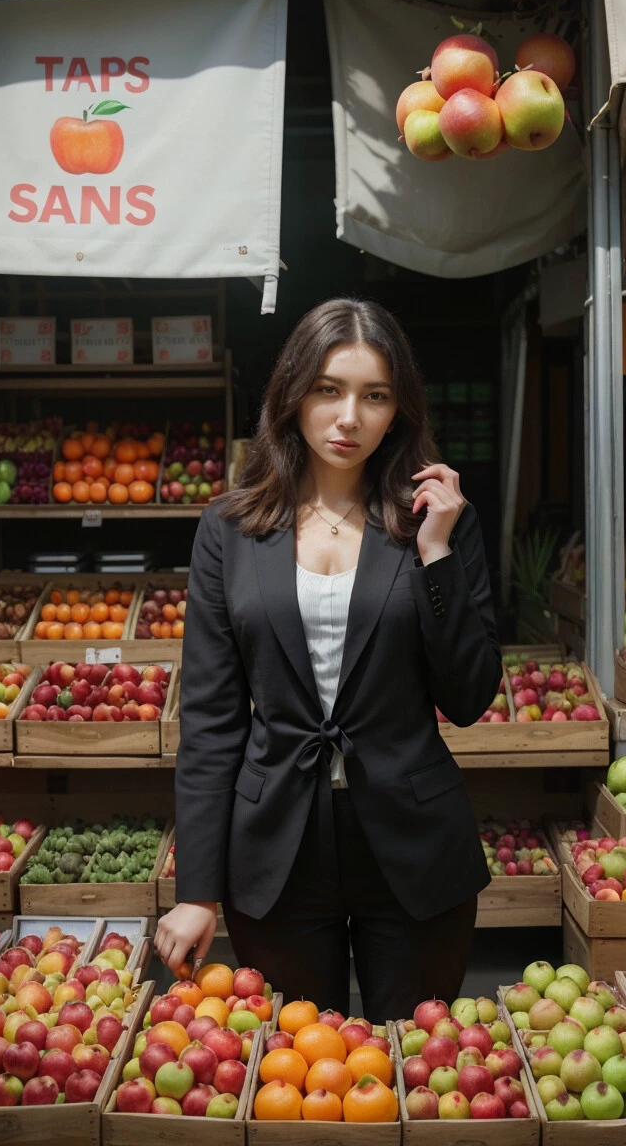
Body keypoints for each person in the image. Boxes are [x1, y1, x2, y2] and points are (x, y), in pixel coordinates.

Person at [154, 297, 501, 1023]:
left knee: (414, 1069)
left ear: (398, 408)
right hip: (277, 850)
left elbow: (468, 698)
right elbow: (213, 721)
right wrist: (198, 889)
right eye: (329, 389)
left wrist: (436, 555)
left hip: (413, 848)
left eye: (374, 396)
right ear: (293, 395)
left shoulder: (437, 520)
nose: (350, 417)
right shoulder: (230, 529)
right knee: (296, 1078)